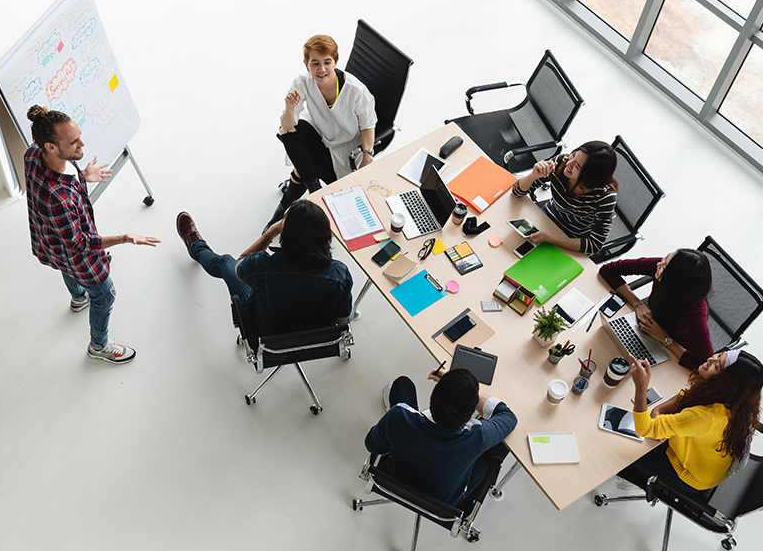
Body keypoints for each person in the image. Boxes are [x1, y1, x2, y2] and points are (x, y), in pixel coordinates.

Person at [23, 105, 160, 364]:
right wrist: (123, 238)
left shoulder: (33, 154)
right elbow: (80, 243)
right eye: (73, 141)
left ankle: (78, 298)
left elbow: (61, 187)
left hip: (51, 243)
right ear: (51, 146)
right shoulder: (59, 199)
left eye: (79, 136)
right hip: (77, 252)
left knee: (66, 266)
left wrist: (83, 176)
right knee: (105, 294)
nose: (82, 144)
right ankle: (99, 345)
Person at [175, 200, 353, 335]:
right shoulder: (340, 273)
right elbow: (344, 319)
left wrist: (272, 231)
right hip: (317, 338)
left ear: (286, 234)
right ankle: (197, 247)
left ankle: (197, 247)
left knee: (225, 263)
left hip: (266, 335)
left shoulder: (261, 265)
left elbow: (240, 265)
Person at [364, 367, 517, 509]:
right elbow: (508, 417)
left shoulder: (398, 415)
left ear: (431, 396)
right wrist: (468, 394)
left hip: (395, 478)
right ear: (472, 412)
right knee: (504, 442)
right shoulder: (477, 437)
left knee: (402, 384)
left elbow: (372, 445)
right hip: (444, 502)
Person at [622, 350, 763, 498]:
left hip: (686, 475)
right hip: (700, 457)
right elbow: (689, 396)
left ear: (724, 383)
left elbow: (645, 429)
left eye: (717, 366)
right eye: (718, 355)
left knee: (615, 449)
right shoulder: (735, 401)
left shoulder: (707, 418)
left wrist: (641, 387)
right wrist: (658, 410)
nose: (711, 359)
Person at [272, 34, 378, 223]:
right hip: (319, 131)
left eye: (327, 62)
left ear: (336, 62)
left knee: (301, 167)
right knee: (288, 134)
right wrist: (289, 108)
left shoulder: (356, 90)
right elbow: (286, 127)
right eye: (315, 63)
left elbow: (368, 124)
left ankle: (283, 210)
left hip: (344, 145)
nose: (321, 69)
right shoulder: (302, 81)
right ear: (306, 64)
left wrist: (367, 157)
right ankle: (314, 188)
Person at [599, 248, 714, 369]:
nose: (659, 264)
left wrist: (665, 339)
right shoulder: (661, 266)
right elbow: (608, 270)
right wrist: (638, 304)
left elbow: (705, 366)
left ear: (675, 282)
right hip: (647, 331)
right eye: (666, 257)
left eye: (665, 267)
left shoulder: (696, 312)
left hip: (673, 352)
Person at [510, 140, 619, 255]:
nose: (569, 163)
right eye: (573, 155)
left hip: (572, 237)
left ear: (590, 176)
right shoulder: (561, 162)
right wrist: (533, 176)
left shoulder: (605, 196)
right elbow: (517, 192)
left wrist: (549, 239)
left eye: (577, 166)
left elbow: (594, 245)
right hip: (548, 216)